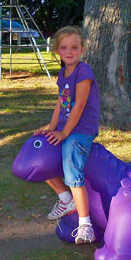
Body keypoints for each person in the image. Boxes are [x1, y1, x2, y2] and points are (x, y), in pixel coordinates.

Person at [34, 26, 101, 244]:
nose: (69, 51)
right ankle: (65, 198)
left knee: (72, 164)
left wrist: (64, 133)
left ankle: (85, 225)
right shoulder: (63, 74)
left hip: (80, 130)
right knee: (40, 156)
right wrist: (51, 129)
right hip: (64, 128)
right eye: (64, 47)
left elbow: (79, 105)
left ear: (82, 49)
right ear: (57, 51)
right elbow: (60, 105)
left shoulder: (84, 72)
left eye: (74, 47)